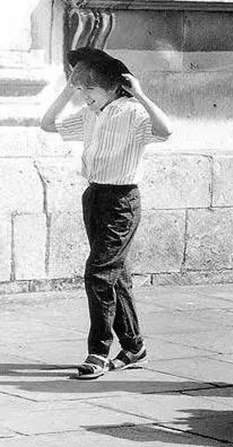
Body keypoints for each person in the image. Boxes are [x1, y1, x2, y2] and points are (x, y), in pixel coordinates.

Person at [41, 48, 172, 380]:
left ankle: (98, 350)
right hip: (94, 197)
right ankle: (134, 347)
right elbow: (47, 124)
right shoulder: (91, 114)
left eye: (90, 89)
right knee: (116, 276)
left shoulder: (133, 112)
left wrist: (140, 94)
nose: (84, 96)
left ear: (115, 86)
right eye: (81, 89)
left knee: (98, 274)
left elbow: (165, 131)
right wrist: (68, 90)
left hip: (121, 201)